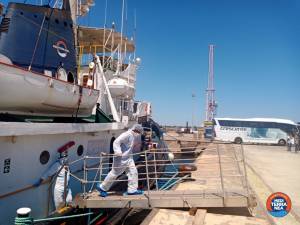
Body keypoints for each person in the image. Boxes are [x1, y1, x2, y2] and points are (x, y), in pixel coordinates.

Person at [96, 124, 144, 197]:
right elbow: (116, 142)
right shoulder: (127, 134)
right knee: (114, 173)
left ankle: (132, 190)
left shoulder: (132, 136)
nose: (138, 134)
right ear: (135, 130)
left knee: (133, 172)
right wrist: (117, 151)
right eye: (138, 132)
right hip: (121, 159)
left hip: (128, 158)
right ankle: (102, 187)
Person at [33, 142, 74, 209]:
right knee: (59, 206)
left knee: (69, 200)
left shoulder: (67, 164)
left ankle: (68, 213)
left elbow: (68, 172)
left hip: (66, 186)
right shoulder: (57, 165)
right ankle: (60, 217)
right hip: (59, 188)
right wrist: (40, 181)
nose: (66, 159)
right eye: (65, 156)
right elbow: (47, 173)